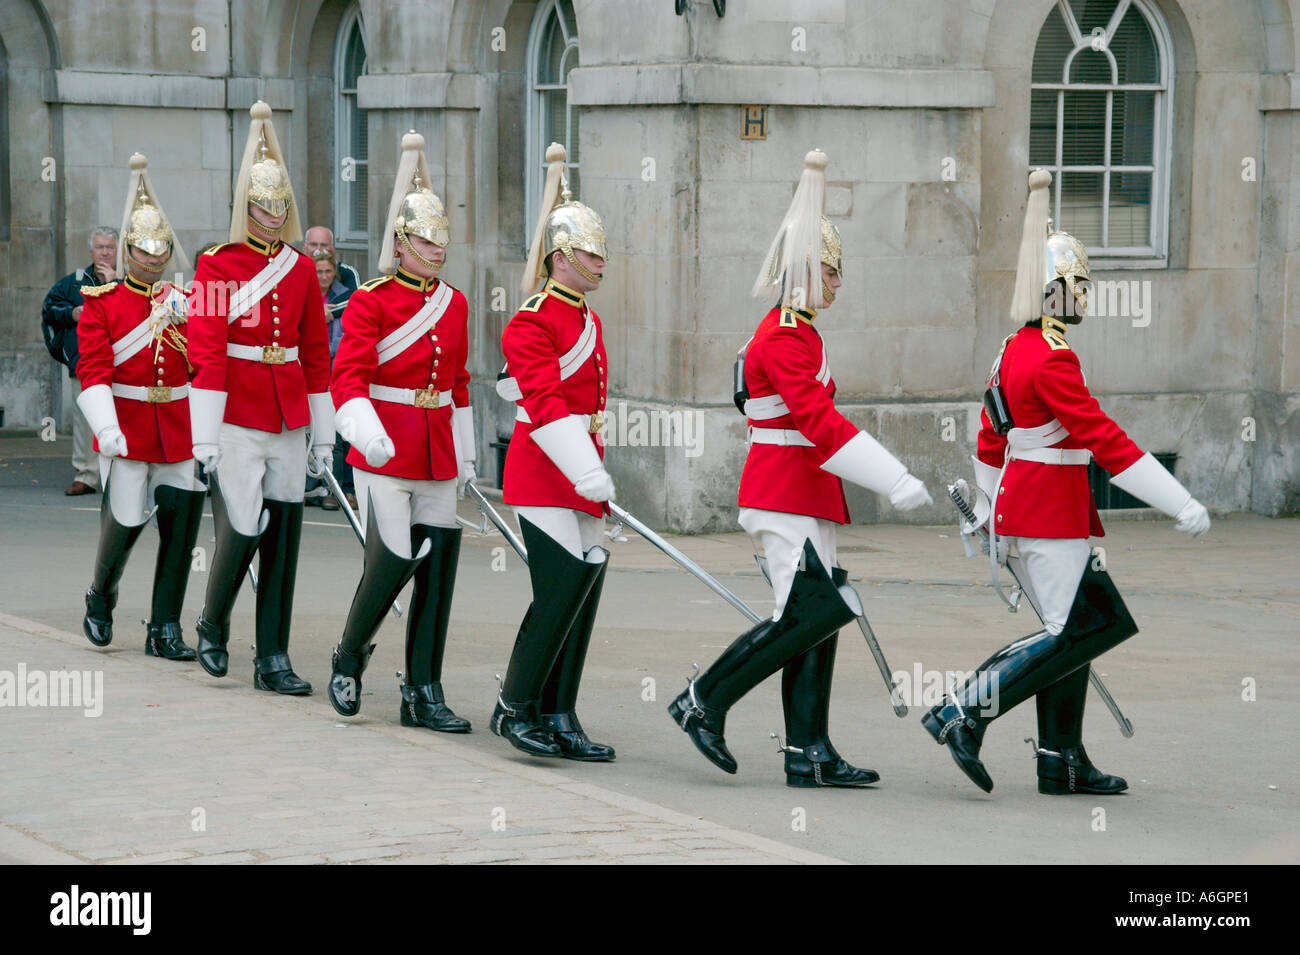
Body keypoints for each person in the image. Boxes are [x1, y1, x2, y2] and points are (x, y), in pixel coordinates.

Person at [922, 169, 1212, 795]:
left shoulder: (1011, 348)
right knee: (1070, 631)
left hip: (1027, 505)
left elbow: (989, 437)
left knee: (1079, 623)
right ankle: (964, 711)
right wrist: (1177, 499)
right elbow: (1102, 438)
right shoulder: (1053, 357)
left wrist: (990, 509)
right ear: (1053, 291)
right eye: (1079, 287)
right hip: (1049, 510)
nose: (1086, 298)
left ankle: (1062, 758)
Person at [665, 150, 933, 786]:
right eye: (833, 274)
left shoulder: (800, 331)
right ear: (809, 273)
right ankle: (704, 700)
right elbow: (819, 424)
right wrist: (893, 477)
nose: (840, 285)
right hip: (785, 491)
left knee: (818, 618)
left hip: (805, 493)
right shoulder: (785, 335)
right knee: (801, 617)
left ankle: (808, 751)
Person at [327, 131, 475, 732]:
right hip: (385, 447)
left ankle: (423, 690)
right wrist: (366, 433)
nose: (435, 250)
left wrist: (464, 451)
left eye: (441, 239)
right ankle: (349, 656)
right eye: (423, 240)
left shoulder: (456, 303)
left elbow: (459, 382)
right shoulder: (370, 301)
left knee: (437, 575)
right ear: (399, 243)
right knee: (388, 563)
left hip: (437, 449)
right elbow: (348, 379)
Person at [187, 101, 334, 695]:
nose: (272, 217)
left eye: (280, 208)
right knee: (242, 527)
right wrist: (204, 433)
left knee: (285, 535)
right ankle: (213, 622)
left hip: (288, 413)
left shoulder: (300, 270)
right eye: (262, 207)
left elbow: (316, 354)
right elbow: (207, 350)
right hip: (238, 412)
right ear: (244, 207)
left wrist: (323, 433)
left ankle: (273, 656)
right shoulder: (215, 265)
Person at [489, 143, 616, 761]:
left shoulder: (584, 315)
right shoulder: (533, 320)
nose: (600, 261)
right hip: (544, 470)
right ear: (561, 257)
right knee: (558, 590)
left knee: (583, 591)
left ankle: (560, 712)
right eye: (590, 252)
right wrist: (587, 470)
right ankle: (515, 706)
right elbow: (543, 403)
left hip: (581, 469)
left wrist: (594, 470)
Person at [75, 154, 202, 660]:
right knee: (124, 522)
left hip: (177, 425)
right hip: (126, 424)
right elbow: (93, 369)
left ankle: (165, 626)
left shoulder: (182, 300)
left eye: (160, 249)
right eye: (144, 250)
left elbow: (201, 367)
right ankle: (101, 597)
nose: (152, 258)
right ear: (127, 251)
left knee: (180, 528)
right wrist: (106, 427)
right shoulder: (102, 301)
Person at [43, 227, 119, 495]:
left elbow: (137, 307)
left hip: (124, 364)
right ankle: (86, 475)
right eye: (100, 247)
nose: (105, 252)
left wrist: (115, 283)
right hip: (85, 363)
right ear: (91, 250)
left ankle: (121, 478)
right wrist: (71, 313)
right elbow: (49, 309)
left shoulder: (126, 280)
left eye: (110, 247)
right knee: (85, 421)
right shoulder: (73, 282)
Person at [304, 248, 354, 511]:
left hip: (335, 371)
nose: (323, 276)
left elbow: (344, 339)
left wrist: (331, 314)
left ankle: (336, 490)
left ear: (335, 272)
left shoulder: (344, 297)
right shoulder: (305, 294)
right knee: (308, 431)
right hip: (309, 370)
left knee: (336, 434)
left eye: (327, 271)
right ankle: (311, 487)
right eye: (318, 271)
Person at [304, 226, 361, 293]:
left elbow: (355, 300)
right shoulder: (294, 271)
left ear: (332, 249)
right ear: (304, 248)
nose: (318, 249)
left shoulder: (347, 273)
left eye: (324, 245)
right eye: (313, 244)